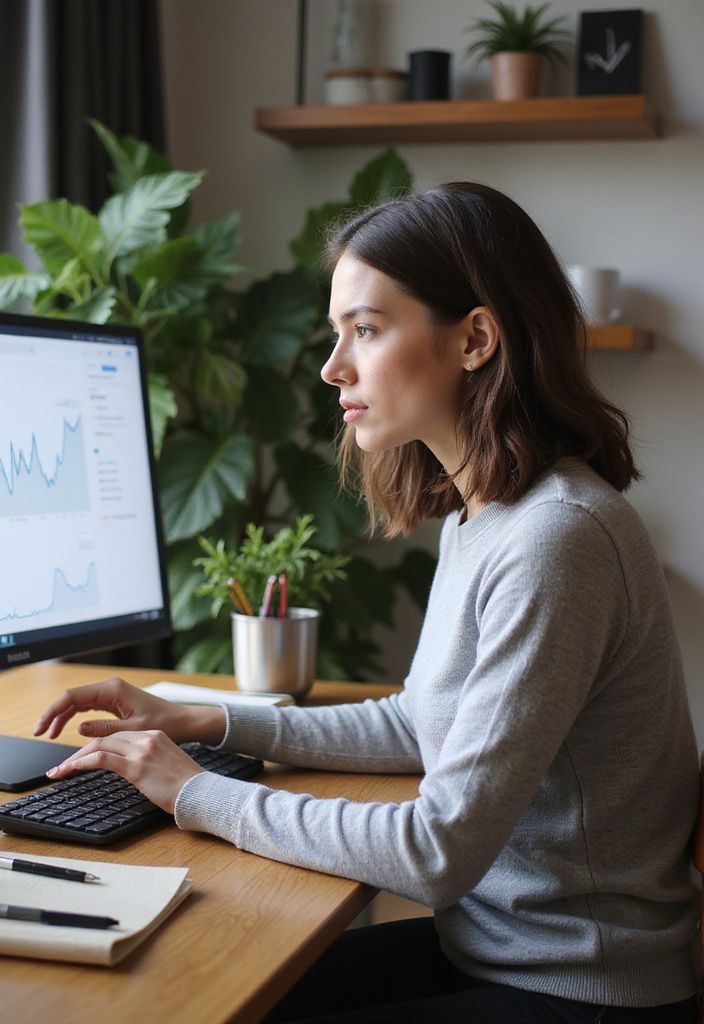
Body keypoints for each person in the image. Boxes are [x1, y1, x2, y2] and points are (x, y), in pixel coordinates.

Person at [34, 182, 700, 1022]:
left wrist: (194, 793)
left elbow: (435, 853)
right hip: (497, 950)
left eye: (367, 330)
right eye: (337, 332)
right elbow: (418, 722)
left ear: (475, 339)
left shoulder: (556, 538)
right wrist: (207, 719)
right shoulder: (487, 515)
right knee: (213, 984)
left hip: (582, 989)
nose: (332, 366)